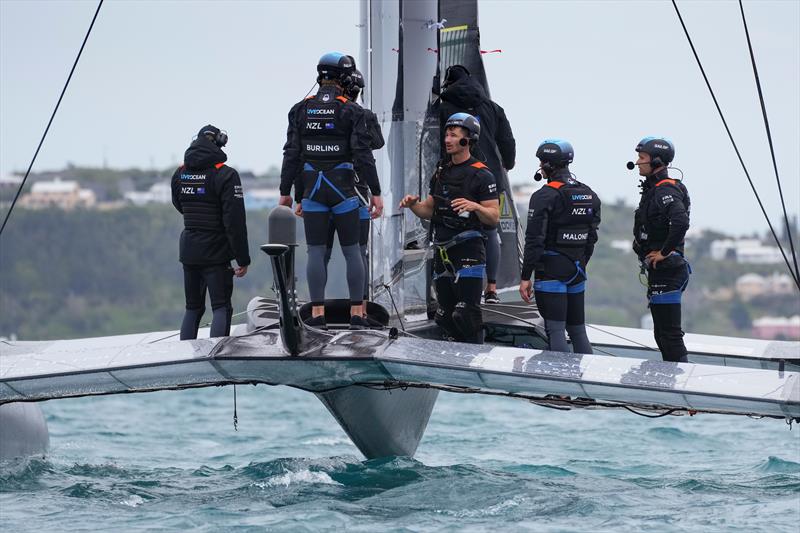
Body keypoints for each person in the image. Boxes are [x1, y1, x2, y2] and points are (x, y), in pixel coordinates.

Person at [279, 52, 383, 330]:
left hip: (313, 192)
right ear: (346, 79)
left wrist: (287, 193)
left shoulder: (299, 110)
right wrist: (375, 192)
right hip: (344, 191)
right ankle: (357, 316)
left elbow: (292, 154)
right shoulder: (352, 111)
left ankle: (317, 317)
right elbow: (364, 154)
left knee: (316, 252)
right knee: (352, 253)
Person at [400, 113, 499, 344]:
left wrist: (475, 206)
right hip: (442, 251)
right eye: (446, 134)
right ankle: (453, 367)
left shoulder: (482, 174)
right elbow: (429, 210)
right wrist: (413, 205)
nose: (447, 139)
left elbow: (493, 218)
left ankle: (476, 363)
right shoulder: (442, 170)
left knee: (466, 314)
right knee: (444, 315)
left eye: (453, 135)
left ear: (467, 141)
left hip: (469, 249)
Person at [438, 64, 516, 304]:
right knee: (490, 230)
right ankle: (491, 288)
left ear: (448, 85)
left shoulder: (444, 108)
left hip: (454, 176)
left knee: (449, 226)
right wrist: (508, 165)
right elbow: (507, 141)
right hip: (490, 174)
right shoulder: (493, 107)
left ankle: (452, 284)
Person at [519, 139, 600, 354]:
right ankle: (584, 385)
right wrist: (580, 263)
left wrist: (526, 276)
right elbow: (591, 238)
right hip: (577, 271)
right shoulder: (589, 194)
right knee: (578, 332)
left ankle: (560, 388)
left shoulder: (543, 196)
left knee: (555, 332)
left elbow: (534, 240)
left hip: (551, 272)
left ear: (547, 165)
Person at [171, 125, 250, 340]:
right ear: (219, 143)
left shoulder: (180, 173)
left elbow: (180, 205)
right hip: (216, 252)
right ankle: (216, 362)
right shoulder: (226, 174)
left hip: (189, 250)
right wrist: (242, 258)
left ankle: (185, 361)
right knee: (221, 308)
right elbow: (234, 221)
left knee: (193, 308)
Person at [323, 67, 384, 319]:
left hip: (325, 191)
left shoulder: (321, 114)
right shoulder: (360, 114)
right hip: (355, 192)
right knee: (358, 252)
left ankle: (317, 307)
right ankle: (360, 309)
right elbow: (377, 143)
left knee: (321, 251)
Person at [631, 137, 691, 362]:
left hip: (669, 270)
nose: (637, 162)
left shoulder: (666, 189)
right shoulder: (654, 188)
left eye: (642, 157)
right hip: (660, 270)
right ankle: (673, 387)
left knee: (669, 335)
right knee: (662, 334)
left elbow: (680, 222)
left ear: (657, 161)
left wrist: (665, 252)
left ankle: (681, 390)